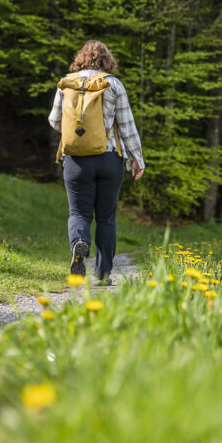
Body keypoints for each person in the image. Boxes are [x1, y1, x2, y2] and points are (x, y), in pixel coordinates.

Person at [48, 40, 145, 284]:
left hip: (76, 161)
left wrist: (76, 134)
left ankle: (79, 243)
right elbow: (127, 126)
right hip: (109, 158)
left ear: (80, 58)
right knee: (106, 218)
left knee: (78, 212)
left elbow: (54, 121)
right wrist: (137, 159)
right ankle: (102, 275)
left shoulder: (67, 83)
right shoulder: (113, 84)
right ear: (107, 61)